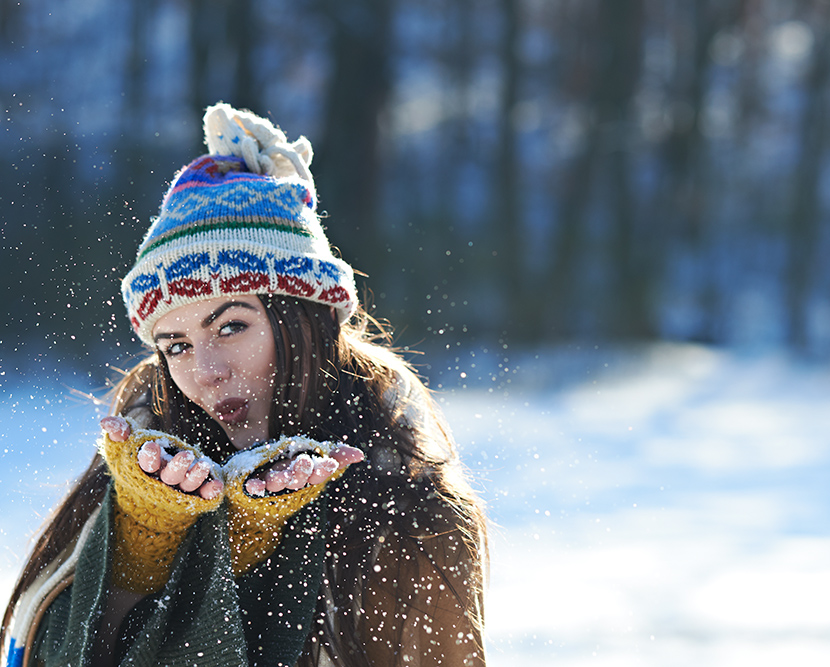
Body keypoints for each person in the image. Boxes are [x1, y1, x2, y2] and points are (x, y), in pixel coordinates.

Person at [1, 103, 488, 667]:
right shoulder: (141, 466)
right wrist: (145, 543)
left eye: (231, 326)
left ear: (308, 318)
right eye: (175, 345)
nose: (205, 372)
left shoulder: (408, 499)